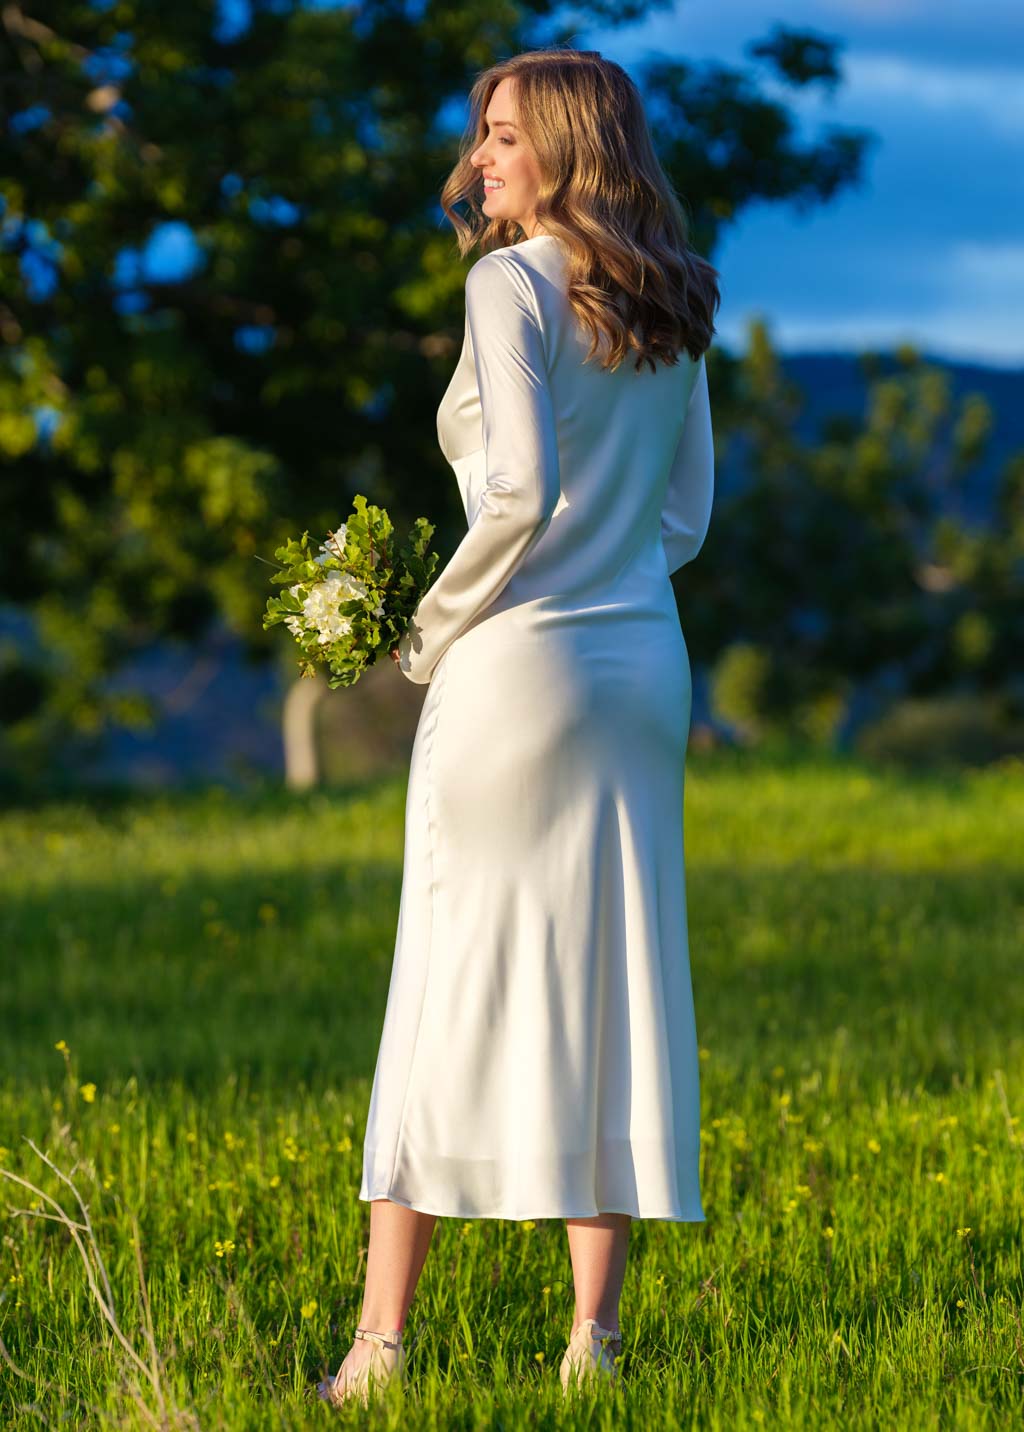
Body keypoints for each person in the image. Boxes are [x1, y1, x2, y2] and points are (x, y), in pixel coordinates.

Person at [320, 46, 719, 1406]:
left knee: (447, 982)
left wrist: (426, 638)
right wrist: (606, 595)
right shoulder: (672, 294)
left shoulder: (510, 283)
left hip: (518, 678)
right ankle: (592, 1349)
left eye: (498, 137)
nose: (475, 163)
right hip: (642, 675)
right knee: (617, 978)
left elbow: (517, 494)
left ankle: (381, 1349)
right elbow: (687, 517)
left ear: (558, 145)